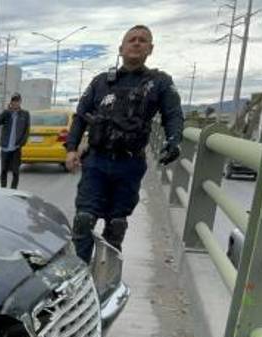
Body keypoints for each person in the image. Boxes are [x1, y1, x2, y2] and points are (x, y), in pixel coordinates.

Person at [65, 25, 184, 262]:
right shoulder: (101, 82)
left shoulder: (159, 82)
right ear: (121, 48)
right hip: (97, 160)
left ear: (150, 49)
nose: (137, 43)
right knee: (83, 220)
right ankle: (79, 275)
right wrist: (71, 149)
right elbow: (80, 116)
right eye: (132, 39)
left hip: (129, 163)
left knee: (116, 224)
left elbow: (173, 114)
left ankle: (105, 279)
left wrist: (173, 141)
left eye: (143, 40)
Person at [0, 93, 31, 189]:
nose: (15, 103)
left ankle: (13, 191)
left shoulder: (25, 114)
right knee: (3, 171)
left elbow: (27, 130)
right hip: (5, 148)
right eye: (13, 101)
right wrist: (6, 111)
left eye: (17, 101)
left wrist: (22, 143)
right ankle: (3, 190)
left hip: (16, 148)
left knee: (15, 171)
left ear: (20, 102)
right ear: (11, 102)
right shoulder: (7, 114)